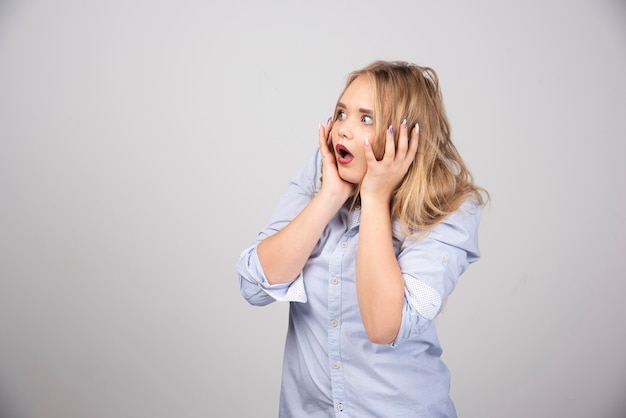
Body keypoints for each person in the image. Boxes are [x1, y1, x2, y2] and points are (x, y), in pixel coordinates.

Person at [237, 60, 488, 418]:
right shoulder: (320, 175)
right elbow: (255, 285)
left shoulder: (449, 211)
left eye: (365, 119)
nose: (343, 131)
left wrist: (374, 198)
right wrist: (330, 196)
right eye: (341, 113)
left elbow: (384, 327)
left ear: (404, 136)